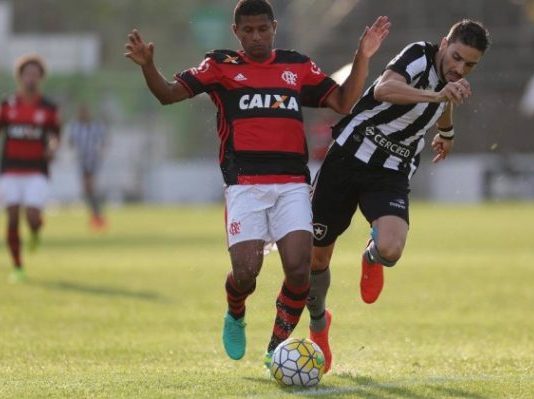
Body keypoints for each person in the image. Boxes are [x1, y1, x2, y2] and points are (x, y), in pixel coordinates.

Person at [124, 0, 390, 366]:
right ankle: (235, 312)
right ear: (236, 33)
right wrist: (149, 66)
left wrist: (362, 57)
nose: (256, 37)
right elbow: (169, 94)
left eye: (262, 29)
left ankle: (275, 351)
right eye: (247, 31)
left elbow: (343, 102)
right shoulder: (220, 66)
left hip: (293, 184)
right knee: (246, 273)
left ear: (274, 28)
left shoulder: (296, 66)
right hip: (244, 185)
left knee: (299, 270)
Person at [305, 19, 490, 373]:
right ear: (443, 43)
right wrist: (437, 96)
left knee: (391, 247)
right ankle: (318, 325)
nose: (459, 68)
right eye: (455, 57)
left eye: (469, 65)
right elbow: (385, 89)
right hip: (348, 156)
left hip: (391, 168)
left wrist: (447, 131)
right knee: (315, 259)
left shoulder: (453, 79)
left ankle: (372, 258)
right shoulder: (418, 56)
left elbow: (444, 100)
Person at [0, 55, 61, 283]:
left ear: (40, 78)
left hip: (36, 171)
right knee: (13, 215)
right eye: (27, 73)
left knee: (32, 217)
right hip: (10, 171)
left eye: (35, 74)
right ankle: (17, 266)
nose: (31, 78)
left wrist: (53, 148)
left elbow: (55, 136)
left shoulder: (48, 108)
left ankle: (35, 232)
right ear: (20, 76)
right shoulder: (7, 106)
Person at [68, 104, 108, 230]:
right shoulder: (75, 126)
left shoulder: (95, 126)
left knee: (90, 187)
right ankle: (96, 214)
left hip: (92, 160)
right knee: (87, 190)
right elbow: (71, 141)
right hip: (82, 160)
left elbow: (103, 140)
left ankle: (97, 215)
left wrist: (100, 153)